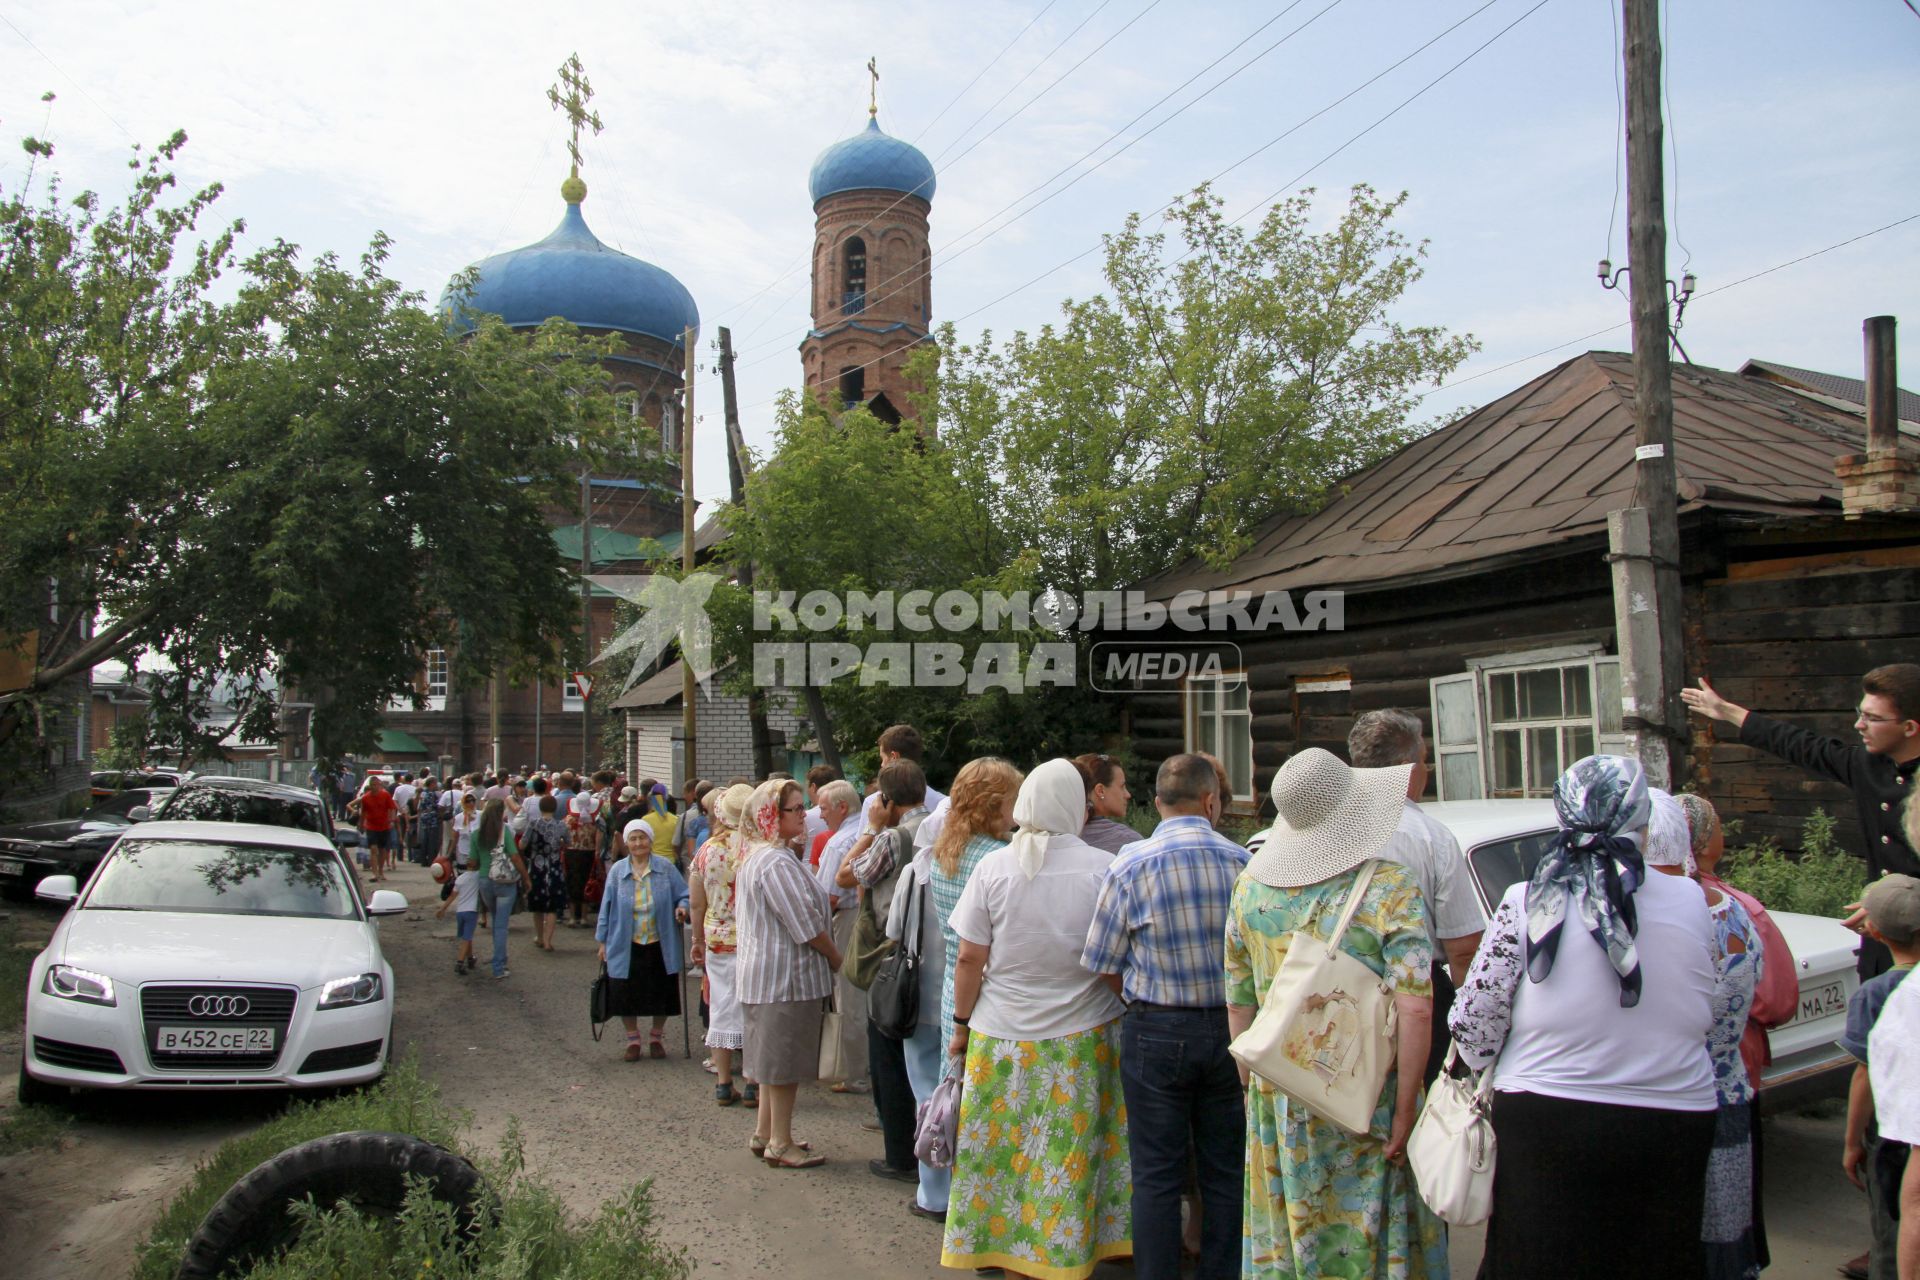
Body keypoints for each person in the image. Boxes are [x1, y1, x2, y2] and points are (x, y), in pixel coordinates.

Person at [1449, 754, 1717, 1279]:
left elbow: (1474, 1028)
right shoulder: (1690, 899)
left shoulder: (1527, 901)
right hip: (1674, 1117)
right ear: (1643, 821)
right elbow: (1707, 1002)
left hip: (1549, 1115)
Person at [1223, 747, 1441, 1280]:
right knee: (1368, 1225)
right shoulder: (1390, 887)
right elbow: (1415, 1009)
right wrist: (1408, 1107)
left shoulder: (1250, 887)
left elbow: (1238, 998)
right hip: (1368, 1090)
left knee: (1291, 1228)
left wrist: (1253, 1084)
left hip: (1281, 1088)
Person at [942, 758, 1131, 1279]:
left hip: (1000, 1040)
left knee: (1004, 1156)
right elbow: (1113, 960)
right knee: (1067, 1158)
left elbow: (969, 958)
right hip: (1082, 1040)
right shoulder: (1101, 867)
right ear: (1078, 803)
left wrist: (960, 1026)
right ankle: (1064, 1258)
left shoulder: (993, 867)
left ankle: (1006, 1255)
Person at [1081, 753, 1248, 1280]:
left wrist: (1139, 997)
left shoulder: (1129, 863)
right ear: (1210, 800)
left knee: (1155, 1174)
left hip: (1155, 1027)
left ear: (1157, 804)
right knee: (1225, 1170)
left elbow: (1103, 960)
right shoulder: (1242, 863)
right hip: (1230, 1028)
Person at [1682, 664, 1920, 978]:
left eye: (1872, 718)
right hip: (1881, 947)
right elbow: (1802, 745)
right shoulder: (1869, 764)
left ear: (1909, 728)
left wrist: (1893, 905)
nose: (1859, 725)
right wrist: (1727, 712)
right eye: (1859, 713)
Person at [1645, 790, 1764, 1280]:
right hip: (1727, 1092)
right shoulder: (1729, 913)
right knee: (1721, 1239)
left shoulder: (1646, 920)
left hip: (1664, 1098)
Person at [1682, 790, 1799, 1275]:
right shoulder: (1732, 909)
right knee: (1730, 1195)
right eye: (1720, 825)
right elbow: (1778, 1001)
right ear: (1705, 842)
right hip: (1732, 1071)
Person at [905, 757, 1022, 1226]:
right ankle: (979, 1213)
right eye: (1013, 800)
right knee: (982, 1108)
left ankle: (937, 1194)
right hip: (984, 991)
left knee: (948, 1096)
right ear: (994, 804)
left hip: (953, 985)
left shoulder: (945, 849)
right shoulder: (995, 858)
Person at [1348, 709, 1485, 1086]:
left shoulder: (1324, 825)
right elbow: (1463, 951)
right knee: (1416, 1120)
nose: (1427, 771)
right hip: (1416, 1002)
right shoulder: (1431, 837)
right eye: (1425, 761)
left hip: (1332, 994)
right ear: (1408, 769)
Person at [735, 778, 841, 1169]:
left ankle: (766, 1133)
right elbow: (806, 925)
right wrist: (836, 958)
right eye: (795, 809)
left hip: (769, 977)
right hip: (785, 978)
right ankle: (781, 1142)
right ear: (771, 816)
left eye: (801, 807)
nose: (804, 815)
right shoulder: (775, 862)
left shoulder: (764, 855)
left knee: (770, 1061)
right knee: (783, 1063)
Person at [841, 761, 930, 1187]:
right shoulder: (944, 827)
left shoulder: (895, 837)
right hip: (935, 953)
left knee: (889, 1056)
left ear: (886, 801)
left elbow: (852, 874)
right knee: (927, 1059)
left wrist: (872, 829)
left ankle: (900, 1155)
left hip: (892, 957)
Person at [1843, 875, 1920, 1280]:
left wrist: (1852, 1141)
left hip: (1892, 1136)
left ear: (1871, 931)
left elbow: (1863, 1076)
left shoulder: (1874, 993)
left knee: (1893, 1228)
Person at [595, 819, 691, 1061]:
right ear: (626, 843)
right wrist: (602, 941)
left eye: (642, 838)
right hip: (626, 940)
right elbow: (605, 907)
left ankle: (656, 1037)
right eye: (633, 839)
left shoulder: (665, 868)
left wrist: (682, 908)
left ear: (650, 840)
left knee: (663, 990)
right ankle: (633, 1039)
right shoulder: (617, 871)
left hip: (659, 939)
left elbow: (684, 894)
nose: (638, 843)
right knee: (625, 992)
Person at [691, 783, 754, 1102]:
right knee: (753, 1009)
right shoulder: (756, 846)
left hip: (718, 938)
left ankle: (724, 1081)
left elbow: (697, 902)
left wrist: (697, 939)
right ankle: (754, 1080)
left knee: (720, 1006)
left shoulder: (707, 850)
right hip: (753, 938)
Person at [815, 778, 872, 1095]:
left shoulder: (840, 843)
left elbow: (829, 898)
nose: (819, 815)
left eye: (823, 808)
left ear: (841, 807)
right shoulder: (859, 834)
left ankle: (854, 1072)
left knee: (849, 997)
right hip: (860, 919)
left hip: (845, 921)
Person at [471, 797, 529, 979]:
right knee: (501, 924)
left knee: (495, 917)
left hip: (485, 880)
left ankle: (499, 956)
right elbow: (515, 857)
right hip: (505, 881)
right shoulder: (505, 833)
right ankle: (499, 964)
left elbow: (472, 861)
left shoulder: (477, 834)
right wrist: (526, 877)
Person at [520, 794, 571, 952]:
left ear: (541, 808)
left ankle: (540, 937)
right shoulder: (561, 825)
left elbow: (522, 844)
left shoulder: (533, 824)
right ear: (555, 808)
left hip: (537, 867)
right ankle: (548, 941)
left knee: (538, 905)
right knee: (552, 906)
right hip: (554, 867)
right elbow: (568, 843)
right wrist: (559, 843)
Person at [435, 826, 481, 976]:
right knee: (467, 938)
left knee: (466, 937)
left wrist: (443, 909)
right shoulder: (477, 877)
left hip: (460, 911)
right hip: (471, 910)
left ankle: (470, 958)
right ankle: (460, 962)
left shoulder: (460, 879)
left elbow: (452, 896)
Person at [1074, 753, 1138, 854]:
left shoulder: (1052, 839)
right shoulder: (1128, 842)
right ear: (1100, 791)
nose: (1128, 794)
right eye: (1122, 786)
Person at [352, 775, 399, 883]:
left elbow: (392, 808)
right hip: (371, 826)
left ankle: (381, 871)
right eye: (372, 785)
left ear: (379, 785)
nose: (374, 787)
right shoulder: (365, 798)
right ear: (370, 786)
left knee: (382, 850)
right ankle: (375, 873)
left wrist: (391, 820)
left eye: (376, 785)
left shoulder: (385, 795)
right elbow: (363, 812)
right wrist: (361, 824)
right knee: (373, 849)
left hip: (384, 826)